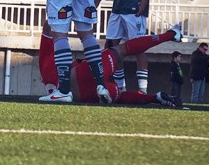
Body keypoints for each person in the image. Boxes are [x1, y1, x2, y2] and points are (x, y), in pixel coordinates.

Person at [38, 21, 183, 106]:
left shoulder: (47, 73)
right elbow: (47, 29)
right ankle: (171, 34)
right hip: (85, 74)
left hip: (84, 96)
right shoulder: (46, 64)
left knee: (119, 95)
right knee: (123, 49)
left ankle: (154, 97)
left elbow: (47, 30)